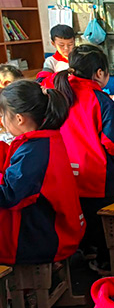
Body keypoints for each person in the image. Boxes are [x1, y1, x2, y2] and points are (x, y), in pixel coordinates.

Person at [54, 45, 114, 269]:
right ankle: (103, 262)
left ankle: (83, 253)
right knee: (101, 222)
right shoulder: (99, 100)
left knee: (76, 217)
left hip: (64, 173)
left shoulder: (58, 94)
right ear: (100, 73)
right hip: (96, 175)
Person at [0, 81, 84, 265]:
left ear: (19, 118)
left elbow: (9, 196)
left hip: (46, 238)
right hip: (54, 228)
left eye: (2, 115)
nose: (2, 121)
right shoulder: (45, 138)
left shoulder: (34, 151)